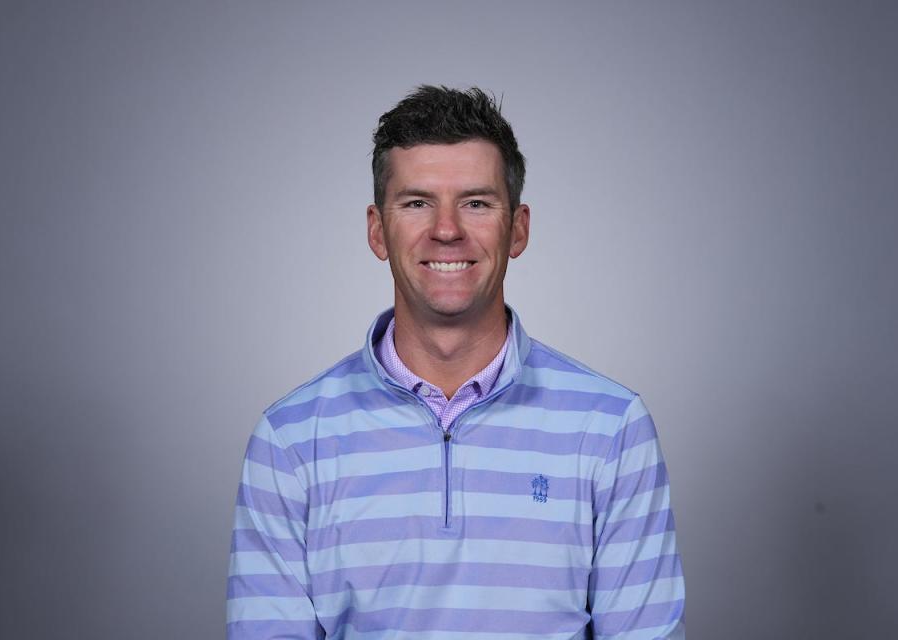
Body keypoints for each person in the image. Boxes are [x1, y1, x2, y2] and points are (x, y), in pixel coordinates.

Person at [227, 86, 685, 639]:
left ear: (518, 229)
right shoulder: (291, 440)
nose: (447, 230)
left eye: (476, 202)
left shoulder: (611, 427)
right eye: (417, 202)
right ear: (377, 230)